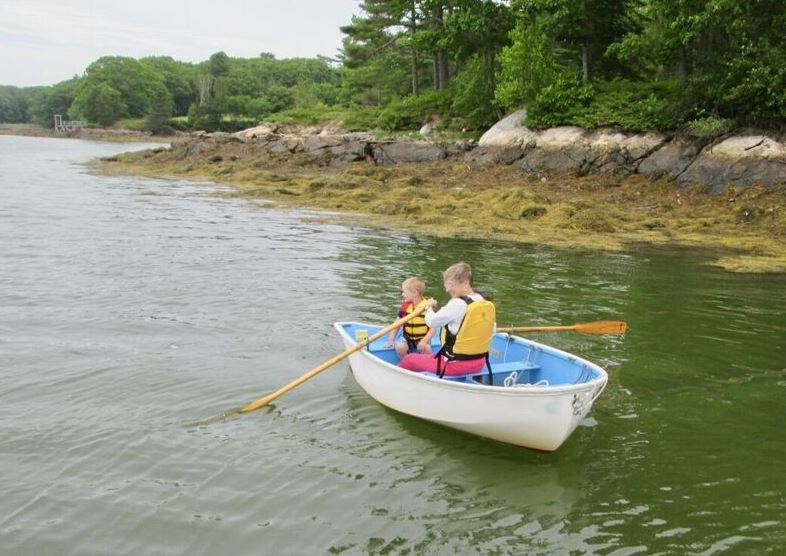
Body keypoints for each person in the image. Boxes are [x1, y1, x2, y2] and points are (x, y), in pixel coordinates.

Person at [398, 262, 496, 378]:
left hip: (457, 365)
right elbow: (492, 330)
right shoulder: (483, 301)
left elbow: (431, 322)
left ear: (465, 283)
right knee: (434, 355)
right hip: (479, 362)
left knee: (409, 359)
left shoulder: (457, 304)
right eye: (447, 285)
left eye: (451, 285)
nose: (448, 290)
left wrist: (429, 307)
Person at [385, 277, 434, 359]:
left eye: (404, 292)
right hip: (407, 337)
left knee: (426, 348)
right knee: (400, 347)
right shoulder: (405, 307)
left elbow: (433, 329)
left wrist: (424, 341)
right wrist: (391, 339)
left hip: (422, 338)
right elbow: (397, 324)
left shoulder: (427, 307)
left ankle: (427, 364)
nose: (402, 294)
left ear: (414, 293)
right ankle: (407, 362)